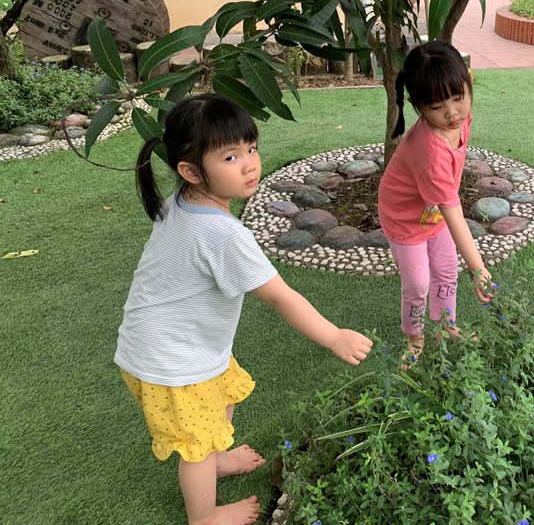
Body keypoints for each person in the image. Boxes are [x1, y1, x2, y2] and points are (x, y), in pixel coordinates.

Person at [115, 93, 372, 525]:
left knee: (220, 396)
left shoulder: (182, 202)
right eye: (231, 157)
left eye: (251, 148)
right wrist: (334, 336)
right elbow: (279, 295)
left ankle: (218, 459)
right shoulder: (224, 235)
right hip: (172, 360)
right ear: (191, 171)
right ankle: (204, 516)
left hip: (175, 343)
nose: (250, 164)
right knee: (195, 447)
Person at [377, 41, 492, 367]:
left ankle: (445, 326)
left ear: (469, 82)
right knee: (417, 284)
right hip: (404, 218)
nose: (452, 112)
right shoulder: (430, 152)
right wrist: (478, 268)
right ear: (417, 106)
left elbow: (446, 204)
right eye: (438, 106)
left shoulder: (459, 120)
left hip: (433, 212)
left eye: (458, 97)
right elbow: (453, 214)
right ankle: (415, 338)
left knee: (445, 271)